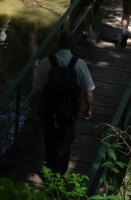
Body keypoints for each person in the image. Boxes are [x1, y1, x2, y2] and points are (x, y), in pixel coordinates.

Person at [32, 30, 95, 176]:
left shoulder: (46, 63)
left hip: (50, 110)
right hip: (70, 112)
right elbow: (88, 91)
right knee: (65, 143)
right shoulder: (79, 64)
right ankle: (59, 174)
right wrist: (89, 108)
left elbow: (38, 90)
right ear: (72, 44)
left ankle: (50, 169)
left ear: (57, 43)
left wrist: (38, 110)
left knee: (50, 141)